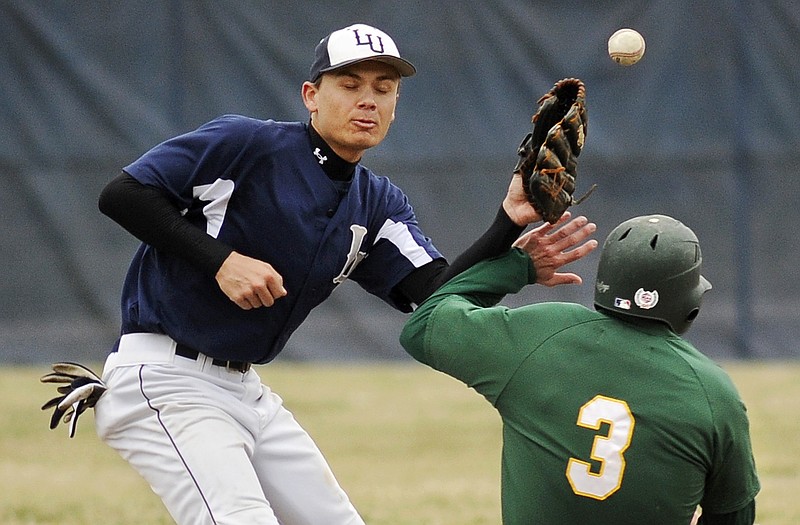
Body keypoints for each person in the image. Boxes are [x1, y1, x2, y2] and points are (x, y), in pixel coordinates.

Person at [90, 23, 588, 525]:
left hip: (245, 391)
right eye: (349, 85)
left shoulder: (376, 203)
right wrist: (220, 260)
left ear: (396, 106)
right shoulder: (246, 144)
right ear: (311, 95)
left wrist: (509, 229)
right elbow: (123, 194)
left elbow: (435, 295)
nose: (367, 100)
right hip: (166, 379)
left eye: (383, 88)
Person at [400, 214, 760, 525]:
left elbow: (423, 325)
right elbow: (735, 515)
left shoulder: (542, 334)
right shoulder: (714, 392)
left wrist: (518, 265)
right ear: (689, 301)